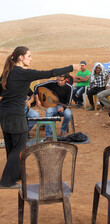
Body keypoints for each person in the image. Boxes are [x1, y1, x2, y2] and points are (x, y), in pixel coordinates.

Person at [0, 46, 77, 188]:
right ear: (20, 58)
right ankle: (6, 181)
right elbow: (50, 73)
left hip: (4, 114)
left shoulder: (7, 73)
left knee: (12, 147)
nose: (30, 58)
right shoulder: (23, 73)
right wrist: (71, 67)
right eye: (28, 56)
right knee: (18, 148)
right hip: (16, 115)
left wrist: (17, 97)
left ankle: (17, 174)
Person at [34, 73, 73, 140]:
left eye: (61, 80)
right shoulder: (52, 83)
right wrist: (38, 100)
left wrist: (63, 108)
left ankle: (63, 131)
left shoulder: (69, 87)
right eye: (58, 80)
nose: (59, 82)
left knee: (68, 114)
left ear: (66, 79)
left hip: (64, 106)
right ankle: (48, 135)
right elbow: (36, 87)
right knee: (49, 112)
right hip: (52, 106)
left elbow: (69, 102)